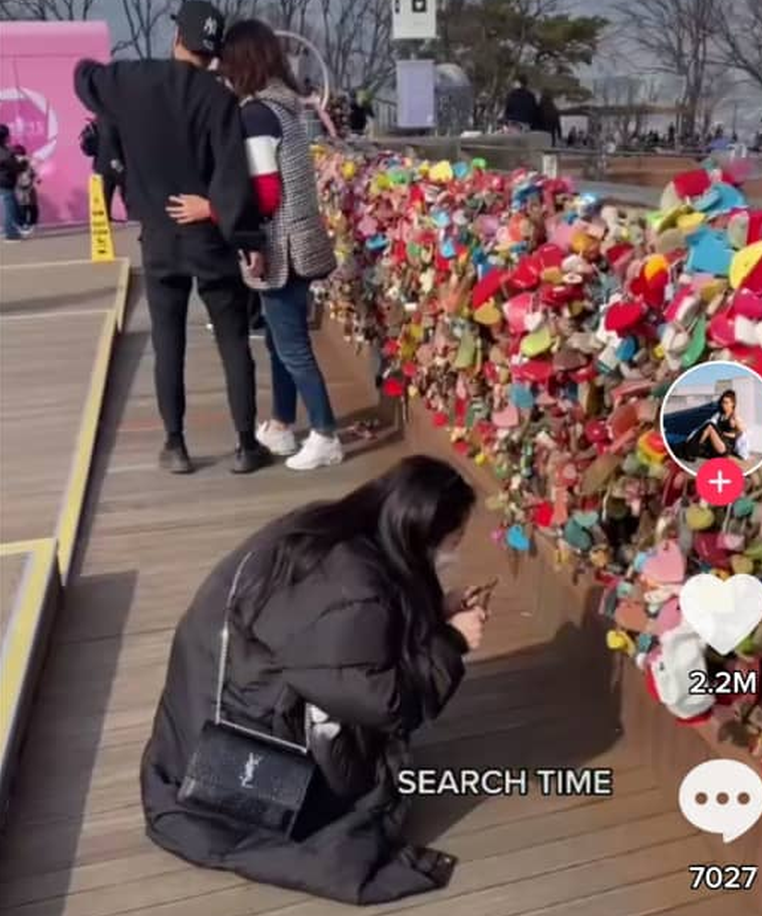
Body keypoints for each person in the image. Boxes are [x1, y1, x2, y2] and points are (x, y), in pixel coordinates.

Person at [140, 455, 488, 904]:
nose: (453, 552)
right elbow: (389, 705)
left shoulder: (331, 528)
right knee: (363, 792)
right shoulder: (357, 587)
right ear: (419, 532)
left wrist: (435, 616)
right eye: (453, 539)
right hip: (235, 762)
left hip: (201, 714)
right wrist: (450, 644)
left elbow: (353, 642)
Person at [74, 1, 268, 476]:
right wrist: (245, 237)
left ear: (177, 38)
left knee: (168, 341)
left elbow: (84, 76)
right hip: (210, 237)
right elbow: (231, 175)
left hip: (159, 237)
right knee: (233, 341)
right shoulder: (220, 99)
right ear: (214, 50)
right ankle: (245, 444)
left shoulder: (131, 81)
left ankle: (176, 445)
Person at [166, 20, 342, 472]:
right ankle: (283, 423)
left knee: (292, 347)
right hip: (300, 241)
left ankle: (325, 433)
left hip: (278, 248)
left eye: (227, 60)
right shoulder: (286, 106)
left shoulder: (256, 115)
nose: (221, 68)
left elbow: (263, 193)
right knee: (282, 344)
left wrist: (211, 209)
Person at [688, 389, 747, 460]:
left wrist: (724, 433)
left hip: (725, 447)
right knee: (708, 424)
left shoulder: (735, 418)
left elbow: (742, 434)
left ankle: (694, 449)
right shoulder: (719, 416)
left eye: (726, 403)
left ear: (733, 404)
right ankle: (694, 447)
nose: (723, 405)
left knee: (710, 426)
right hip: (717, 443)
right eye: (722, 402)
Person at [0, 124, 24, 243]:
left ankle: (17, 227)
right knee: (9, 208)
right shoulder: (5, 153)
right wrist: (21, 164)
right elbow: (15, 167)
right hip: (5, 183)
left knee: (12, 206)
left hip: (5, 183)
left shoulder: (6, 151)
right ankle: (10, 234)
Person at [12, 144, 39, 233]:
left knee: (31, 207)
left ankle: (31, 224)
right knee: (23, 207)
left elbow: (34, 173)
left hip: (29, 188)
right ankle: (24, 224)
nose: (19, 157)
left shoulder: (28, 163)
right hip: (19, 189)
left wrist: (37, 179)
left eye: (21, 155)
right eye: (17, 155)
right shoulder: (12, 164)